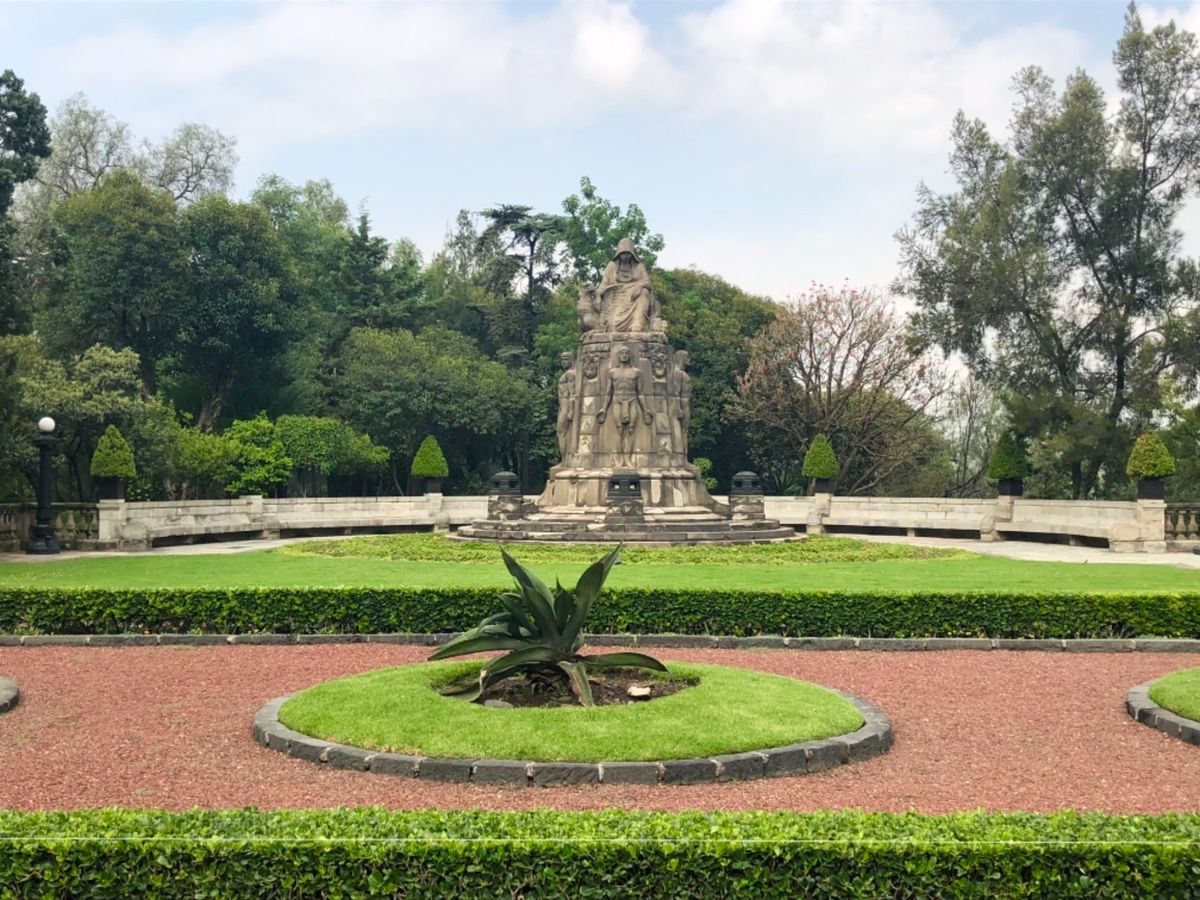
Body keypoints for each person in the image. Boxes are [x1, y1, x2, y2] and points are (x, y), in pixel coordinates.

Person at [597, 345, 652, 466]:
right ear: (618, 356)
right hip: (617, 400)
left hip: (632, 400)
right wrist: (604, 409)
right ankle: (620, 459)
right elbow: (608, 393)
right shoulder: (612, 373)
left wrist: (646, 410)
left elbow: (640, 393)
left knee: (631, 430)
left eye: (626, 352)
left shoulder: (636, 372)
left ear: (629, 355)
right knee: (620, 430)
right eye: (622, 353)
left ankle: (628, 459)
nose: (624, 355)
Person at [596, 238, 658, 332]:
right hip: (617, 299)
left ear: (632, 254)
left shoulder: (639, 266)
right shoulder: (611, 266)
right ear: (619, 254)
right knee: (613, 325)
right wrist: (598, 295)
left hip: (635, 296)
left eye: (627, 253)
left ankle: (637, 323)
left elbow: (647, 282)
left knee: (644, 292)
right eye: (623, 253)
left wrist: (639, 286)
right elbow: (603, 284)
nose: (625, 256)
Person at [556, 352, 577, 459]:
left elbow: (573, 394)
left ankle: (565, 459)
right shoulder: (568, 373)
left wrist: (571, 411)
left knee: (561, 432)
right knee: (562, 433)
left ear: (571, 360)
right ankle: (565, 458)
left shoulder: (570, 374)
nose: (563, 362)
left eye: (566, 359)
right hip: (563, 405)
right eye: (562, 359)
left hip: (566, 406)